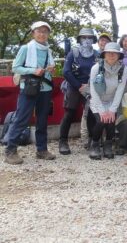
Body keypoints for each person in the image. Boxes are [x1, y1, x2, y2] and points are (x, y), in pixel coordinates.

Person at [4, 21, 56, 164]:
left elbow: (48, 69)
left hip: (45, 88)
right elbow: (16, 67)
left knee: (42, 119)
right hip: (29, 88)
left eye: (45, 31)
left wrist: (51, 69)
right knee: (21, 118)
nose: (42, 34)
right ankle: (10, 151)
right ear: (33, 33)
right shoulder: (26, 48)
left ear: (48, 34)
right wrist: (33, 70)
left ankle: (42, 150)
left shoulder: (48, 50)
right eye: (39, 31)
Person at [59, 28, 98, 155]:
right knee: (69, 113)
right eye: (84, 37)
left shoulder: (97, 55)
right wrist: (78, 85)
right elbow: (66, 71)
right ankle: (63, 141)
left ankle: (92, 141)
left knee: (91, 114)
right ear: (79, 39)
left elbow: (100, 72)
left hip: (91, 87)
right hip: (74, 85)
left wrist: (90, 85)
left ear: (93, 40)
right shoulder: (73, 53)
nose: (87, 40)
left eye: (89, 37)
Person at [88, 42, 127, 160]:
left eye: (115, 53)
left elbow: (120, 90)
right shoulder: (96, 68)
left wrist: (112, 109)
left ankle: (108, 145)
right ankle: (95, 145)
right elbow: (93, 90)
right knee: (101, 120)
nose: (111, 55)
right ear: (104, 54)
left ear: (119, 55)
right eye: (108, 52)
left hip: (112, 100)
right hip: (97, 100)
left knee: (111, 121)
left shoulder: (123, 69)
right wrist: (101, 110)